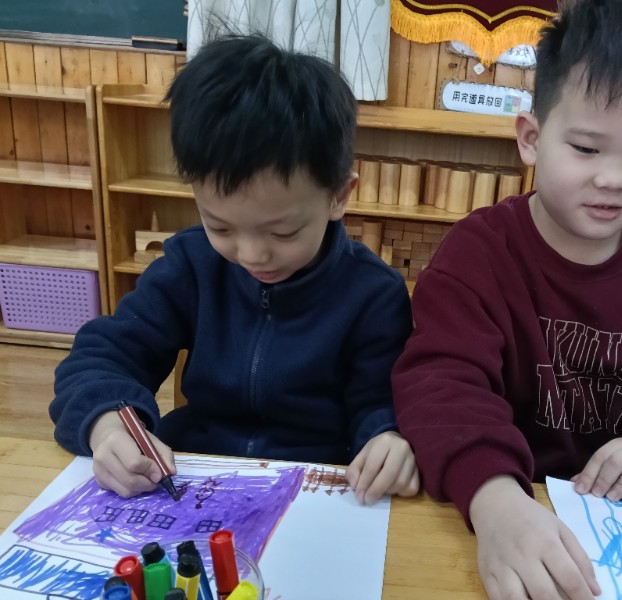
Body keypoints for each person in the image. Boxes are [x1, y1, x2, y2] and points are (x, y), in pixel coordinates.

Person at [391, 0, 622, 598]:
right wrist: (495, 497)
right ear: (531, 137)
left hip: (619, 536)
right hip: (492, 509)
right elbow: (441, 385)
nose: (615, 178)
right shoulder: (477, 253)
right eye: (588, 149)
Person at [50, 34, 418, 507]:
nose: (251, 255)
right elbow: (102, 356)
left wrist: (387, 437)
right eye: (219, 226)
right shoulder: (192, 265)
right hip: (193, 479)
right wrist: (106, 424)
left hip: (314, 490)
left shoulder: (373, 294)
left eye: (282, 232)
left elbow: (380, 403)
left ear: (338, 196)